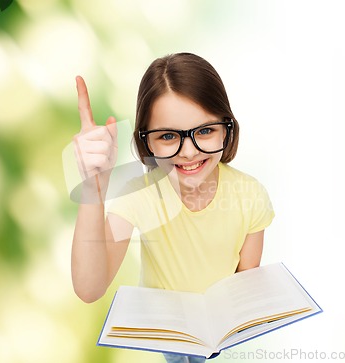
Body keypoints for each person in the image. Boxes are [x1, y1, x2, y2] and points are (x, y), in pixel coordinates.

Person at [71, 53, 275, 363]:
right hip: (166, 339)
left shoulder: (250, 194)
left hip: (223, 340)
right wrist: (93, 187)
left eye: (205, 131)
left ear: (227, 129)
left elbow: (244, 285)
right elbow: (89, 287)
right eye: (168, 136)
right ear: (147, 142)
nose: (189, 152)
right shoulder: (142, 195)